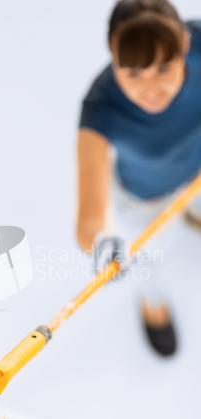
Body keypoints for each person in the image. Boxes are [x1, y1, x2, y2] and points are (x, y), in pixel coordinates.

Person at [76, 0, 201, 356]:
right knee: (148, 261)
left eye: (164, 67)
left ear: (185, 44)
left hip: (197, 173)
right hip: (143, 201)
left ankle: (192, 214)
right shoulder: (101, 109)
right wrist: (101, 243)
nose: (151, 89)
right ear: (113, 58)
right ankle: (152, 300)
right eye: (132, 73)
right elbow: (88, 220)